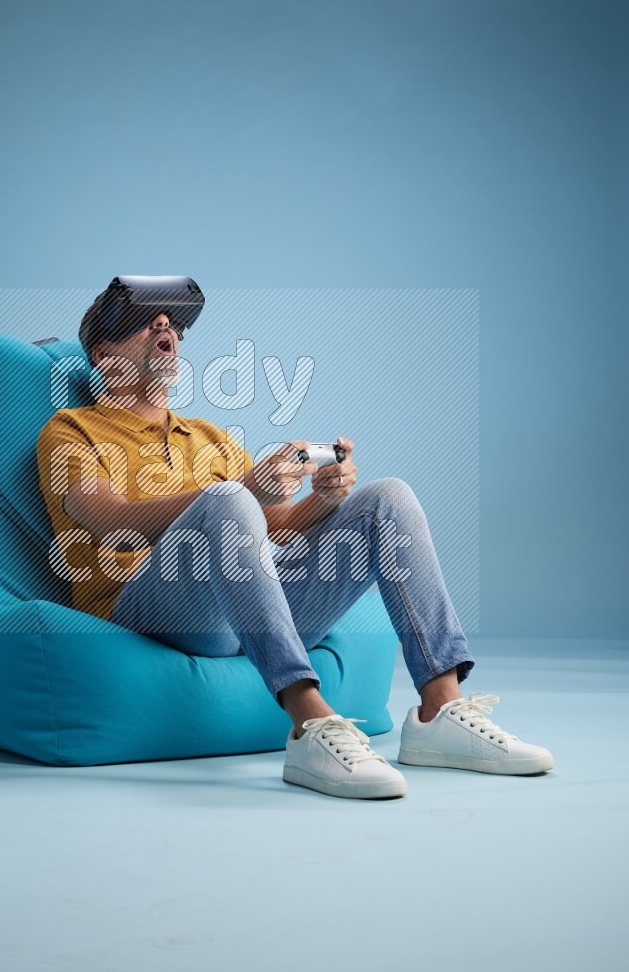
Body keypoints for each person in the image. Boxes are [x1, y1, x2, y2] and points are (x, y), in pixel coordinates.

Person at [36, 278, 553, 799]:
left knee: (386, 497)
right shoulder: (71, 430)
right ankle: (308, 723)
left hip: (244, 612)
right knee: (227, 500)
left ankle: (439, 707)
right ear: (104, 355)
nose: (164, 325)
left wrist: (324, 499)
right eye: (145, 320)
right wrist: (241, 488)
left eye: (171, 320)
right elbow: (108, 518)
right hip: (150, 611)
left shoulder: (210, 437)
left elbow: (276, 526)